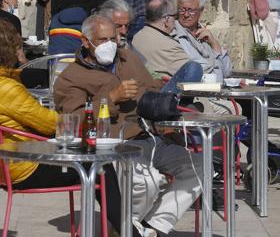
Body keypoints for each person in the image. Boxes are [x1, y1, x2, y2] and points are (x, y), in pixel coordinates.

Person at [0, 17, 129, 236]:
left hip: (0, 164)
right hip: (24, 167)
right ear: (7, 50)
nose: (20, 49)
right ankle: (126, 231)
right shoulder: (5, 88)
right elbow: (49, 124)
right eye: (17, 45)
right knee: (101, 167)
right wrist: (81, 115)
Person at [53, 14, 202, 236]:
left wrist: (163, 103)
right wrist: (111, 97)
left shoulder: (127, 58)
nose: (110, 45)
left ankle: (152, 225)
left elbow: (150, 87)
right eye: (103, 40)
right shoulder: (71, 77)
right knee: (148, 182)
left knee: (199, 166)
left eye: (114, 39)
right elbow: (74, 121)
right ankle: (126, 227)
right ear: (86, 41)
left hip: (148, 136)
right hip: (115, 145)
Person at [131, 0, 203, 89]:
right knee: (195, 67)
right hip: (163, 95)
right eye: (174, 16)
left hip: (145, 90)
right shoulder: (168, 45)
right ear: (166, 19)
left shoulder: (137, 37)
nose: (176, 21)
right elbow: (194, 74)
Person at [173, 0, 232, 81]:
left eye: (191, 10)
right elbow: (199, 71)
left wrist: (215, 44)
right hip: (196, 93)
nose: (186, 15)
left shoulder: (205, 35)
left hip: (216, 93)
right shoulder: (175, 36)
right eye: (182, 10)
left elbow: (227, 71)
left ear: (201, 11)